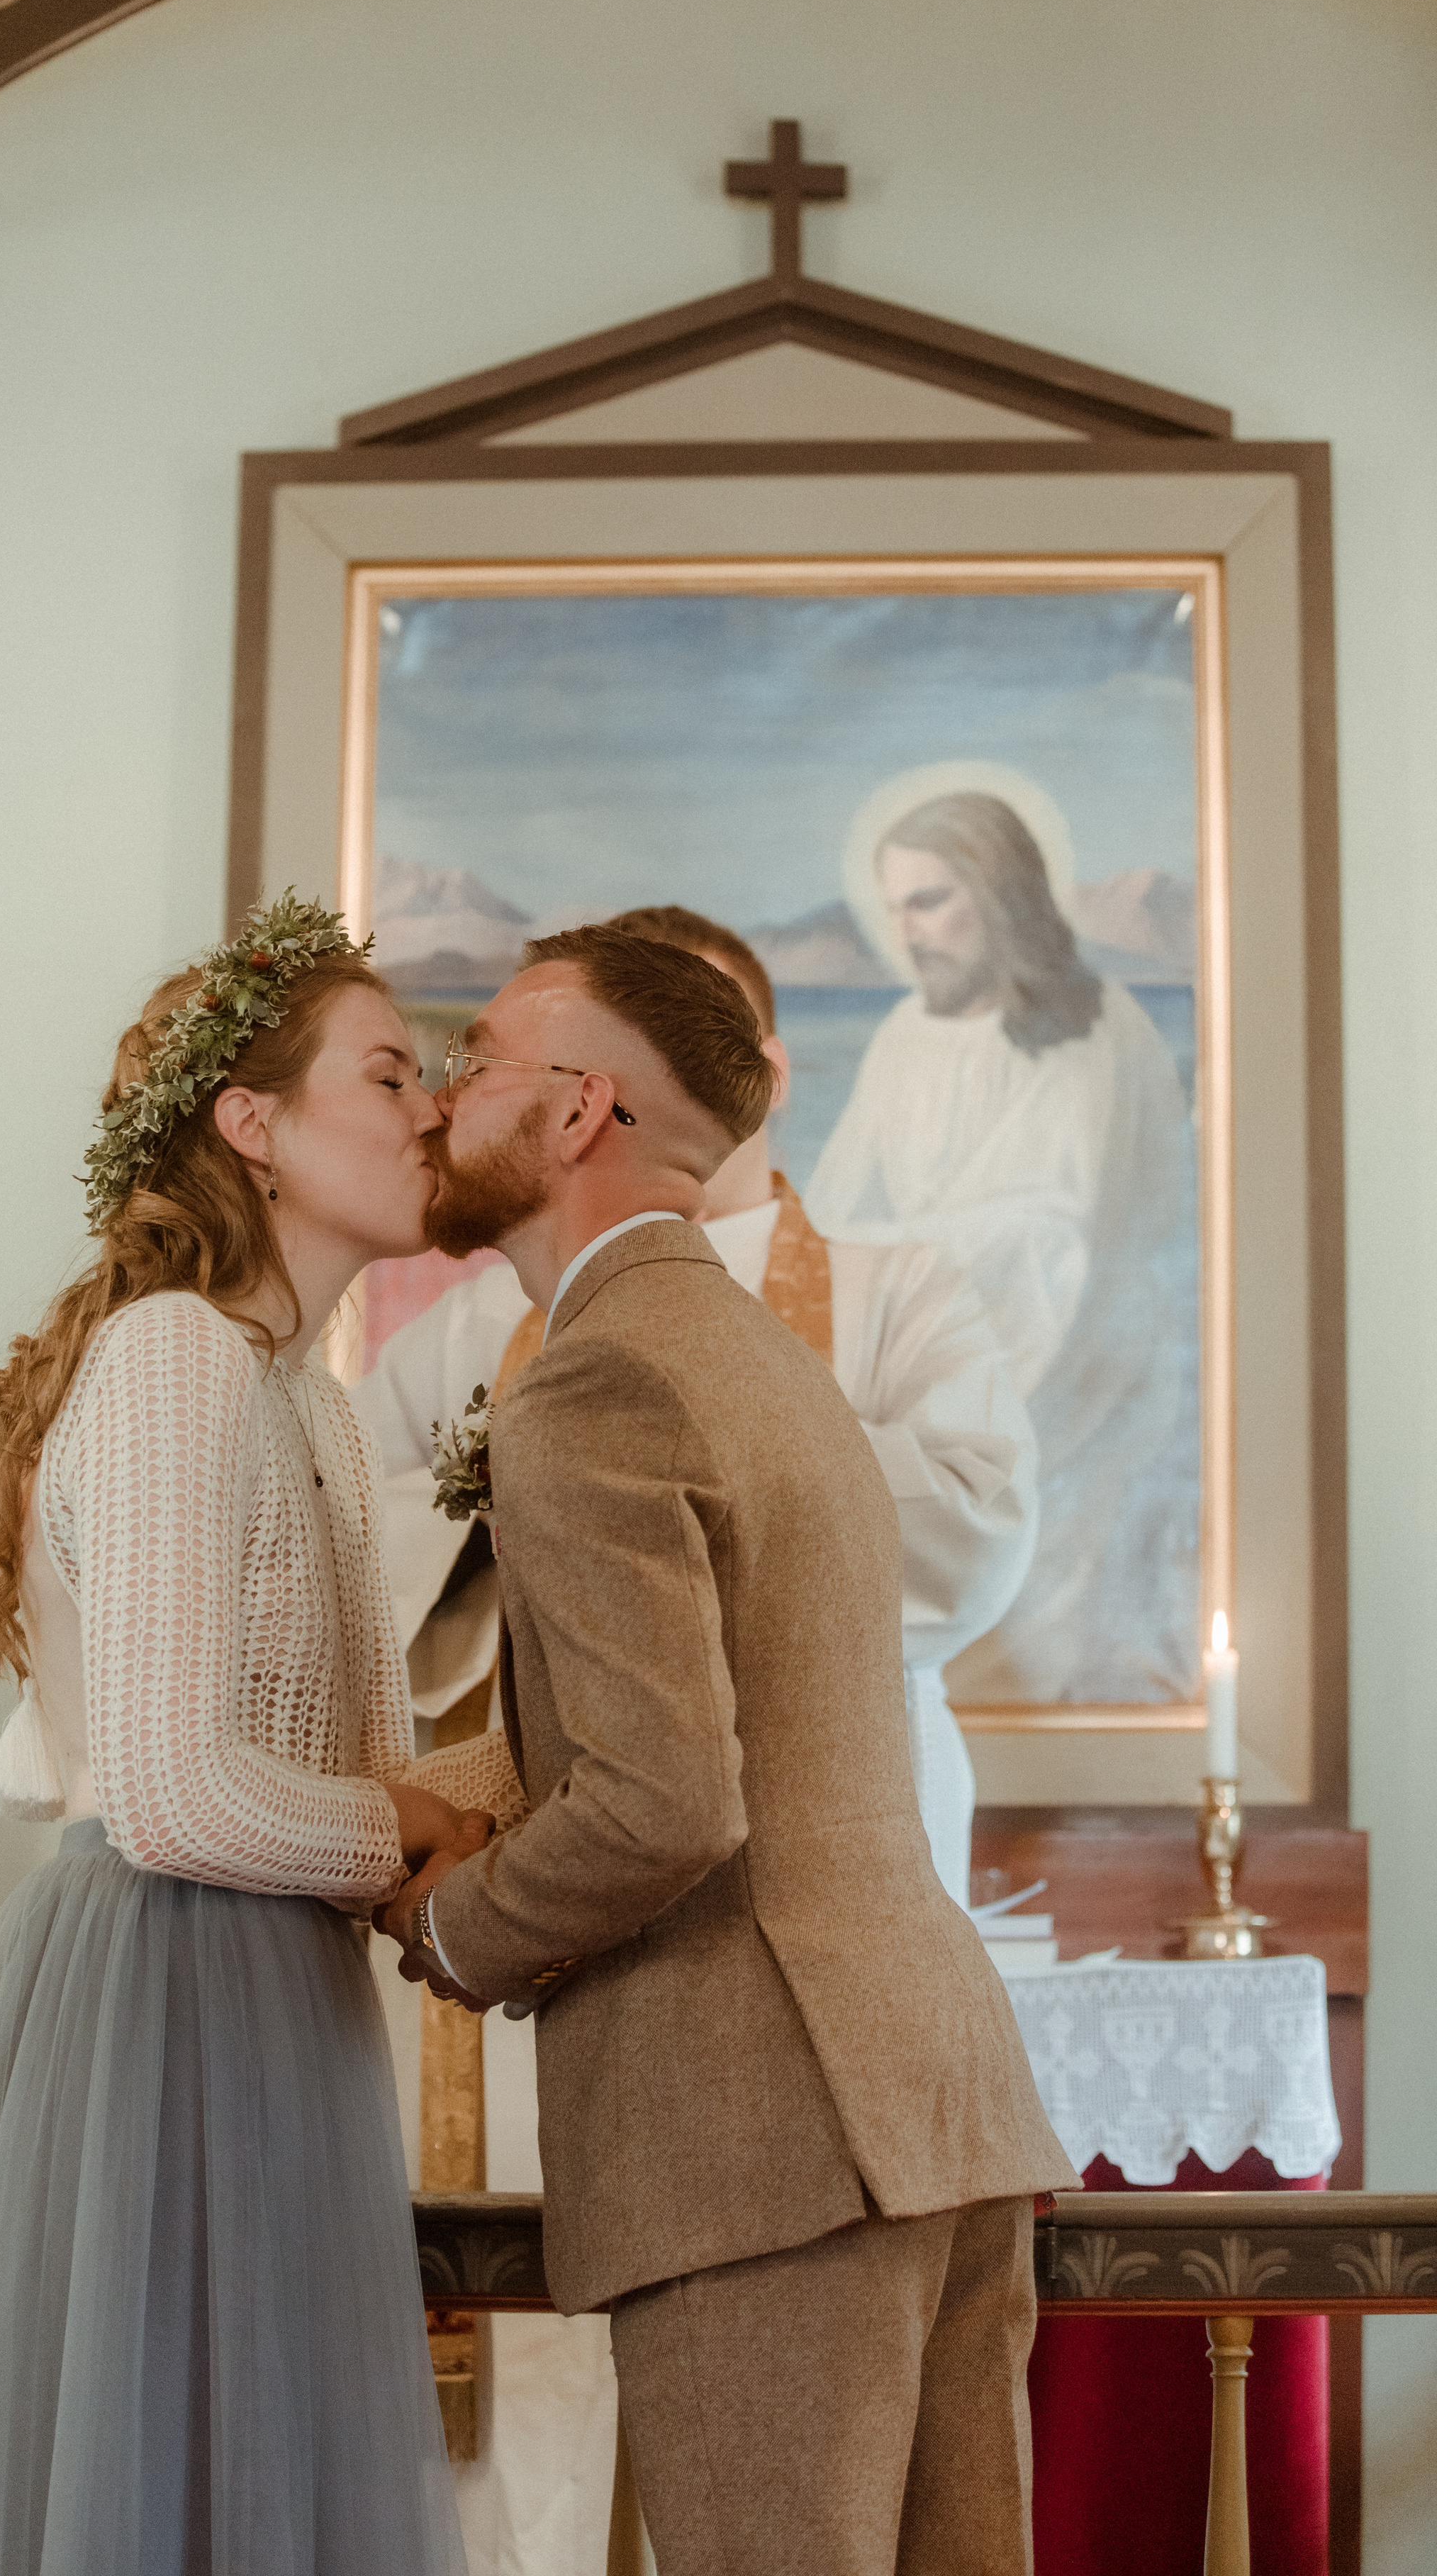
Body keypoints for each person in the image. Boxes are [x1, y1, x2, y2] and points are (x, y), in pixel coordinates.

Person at [0, 895, 522, 2576]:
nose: (429, 1104)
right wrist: (405, 1838)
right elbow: (171, 1792)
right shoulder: (171, 1360)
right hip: (153, 1998)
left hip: (279, 1999)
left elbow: (362, 1773)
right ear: (251, 1126)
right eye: (385, 1071)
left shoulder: (322, 1415)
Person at [377, 925, 1075, 2576]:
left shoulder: (597, 1375)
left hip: (758, 2125)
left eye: (476, 1060)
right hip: (932, 2097)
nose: (444, 1098)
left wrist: (454, 1931)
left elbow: (662, 1799)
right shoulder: (767, 1360)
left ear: (574, 1115)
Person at [360, 902, 1038, 1909]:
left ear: (756, 1069)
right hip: (562, 1813)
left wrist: (680, 1481)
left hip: (840, 1810)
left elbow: (983, 1516)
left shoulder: (896, 1290)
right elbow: (347, 1514)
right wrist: (522, 1511)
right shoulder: (483, 1321)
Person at [803, 790, 1189, 1705]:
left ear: (1003, 891)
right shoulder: (903, 1038)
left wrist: (894, 1257)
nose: (908, 932)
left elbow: (1063, 1240)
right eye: (894, 906)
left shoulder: (1101, 1030)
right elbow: (828, 1219)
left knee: (1047, 1650)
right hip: (945, 1373)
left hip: (1080, 1383)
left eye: (930, 900)